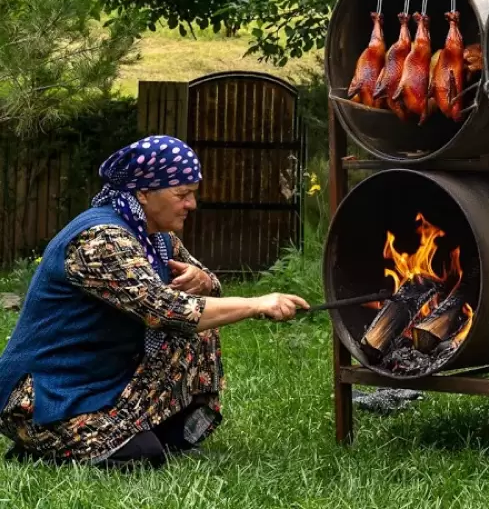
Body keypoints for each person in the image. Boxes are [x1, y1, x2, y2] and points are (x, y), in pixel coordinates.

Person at [0, 135, 309, 467]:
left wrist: (204, 280)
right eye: (182, 194)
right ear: (143, 193)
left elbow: (208, 290)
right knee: (139, 457)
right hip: (45, 394)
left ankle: (165, 437)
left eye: (193, 194)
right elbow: (165, 310)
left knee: (197, 335)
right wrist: (255, 304)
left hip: (97, 380)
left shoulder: (157, 238)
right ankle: (40, 443)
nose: (192, 204)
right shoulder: (102, 240)